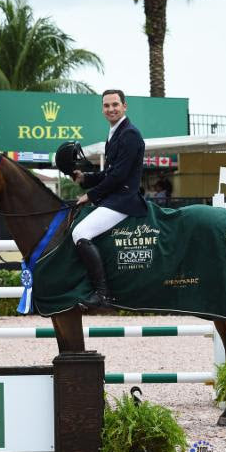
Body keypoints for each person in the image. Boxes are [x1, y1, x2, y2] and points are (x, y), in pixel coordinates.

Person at [71, 89, 147, 308]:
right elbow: (108, 173)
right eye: (106, 106)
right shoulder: (114, 132)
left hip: (123, 200)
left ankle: (103, 295)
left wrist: (90, 195)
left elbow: (119, 176)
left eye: (115, 104)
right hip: (113, 197)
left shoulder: (129, 134)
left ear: (124, 106)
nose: (111, 109)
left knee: (80, 233)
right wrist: (85, 178)